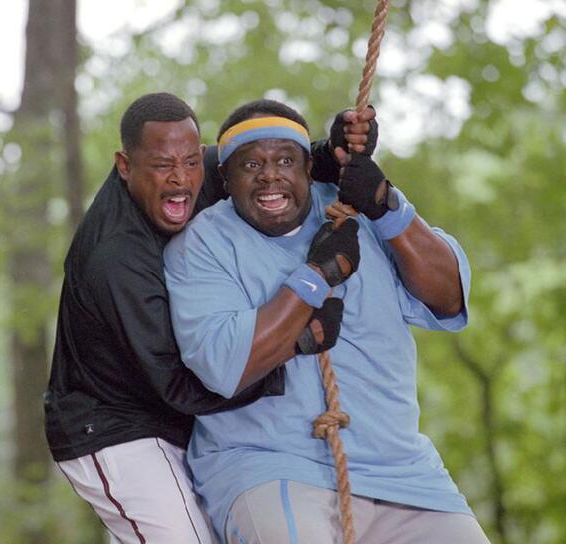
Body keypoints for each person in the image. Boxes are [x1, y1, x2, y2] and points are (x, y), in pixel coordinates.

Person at [43, 92, 375, 543]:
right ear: (125, 166)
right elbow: (178, 384)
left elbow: (260, 164)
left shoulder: (201, 174)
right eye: (162, 166)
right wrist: (293, 342)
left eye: (190, 161)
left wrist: (331, 149)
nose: (180, 180)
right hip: (113, 428)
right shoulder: (115, 260)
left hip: (176, 424)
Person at [164, 99, 491, 543]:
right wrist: (316, 277)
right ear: (224, 179)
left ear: (308, 168)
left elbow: (449, 299)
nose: (270, 175)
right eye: (251, 164)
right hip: (270, 464)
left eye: (284, 160)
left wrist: (386, 205)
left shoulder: (355, 207)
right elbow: (227, 367)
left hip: (401, 470)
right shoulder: (202, 243)